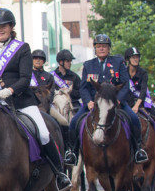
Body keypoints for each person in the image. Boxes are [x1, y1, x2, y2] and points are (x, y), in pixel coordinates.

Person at [0, 8, 71, 191]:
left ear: (11, 26)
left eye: (3, 26)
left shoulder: (22, 48)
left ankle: (60, 174)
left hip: (21, 101)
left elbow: (25, 77)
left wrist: (10, 90)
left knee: (44, 133)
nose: (0, 30)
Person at [63, 34, 149, 166]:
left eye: (104, 46)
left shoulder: (118, 62)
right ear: (95, 49)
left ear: (109, 49)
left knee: (134, 119)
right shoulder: (88, 65)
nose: (101, 49)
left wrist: (119, 100)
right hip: (94, 103)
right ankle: (72, 153)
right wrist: (88, 102)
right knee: (74, 122)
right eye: (99, 46)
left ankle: (138, 150)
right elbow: (83, 88)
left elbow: (125, 84)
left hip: (114, 103)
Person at [122, 46, 155, 140]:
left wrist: (136, 106)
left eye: (137, 57)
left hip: (142, 103)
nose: (136, 59)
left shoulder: (143, 73)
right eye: (133, 57)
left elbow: (143, 91)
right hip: (127, 104)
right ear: (128, 59)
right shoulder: (123, 72)